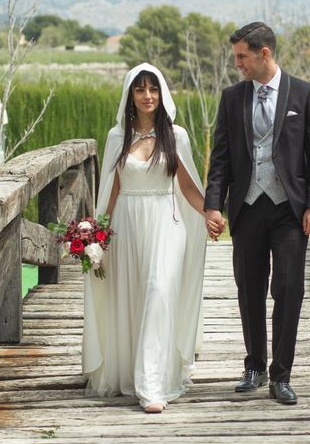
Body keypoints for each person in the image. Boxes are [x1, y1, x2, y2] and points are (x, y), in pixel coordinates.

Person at [204, 22, 310, 405]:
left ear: (264, 54)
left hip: (289, 210)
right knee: (249, 288)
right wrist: (213, 203)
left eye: (242, 56)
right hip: (247, 207)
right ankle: (254, 366)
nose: (237, 63)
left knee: (289, 289)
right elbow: (221, 157)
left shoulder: (304, 94)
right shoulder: (231, 97)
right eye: (236, 56)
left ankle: (281, 376)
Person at [82, 63, 213, 413]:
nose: (147, 96)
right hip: (127, 223)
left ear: (162, 93)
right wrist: (97, 233)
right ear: (130, 95)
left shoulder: (177, 136)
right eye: (140, 89)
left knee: (158, 291)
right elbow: (111, 188)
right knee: (134, 297)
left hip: (166, 221)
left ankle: (151, 384)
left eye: (152, 89)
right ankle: (130, 371)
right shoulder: (116, 137)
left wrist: (210, 213)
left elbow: (186, 185)